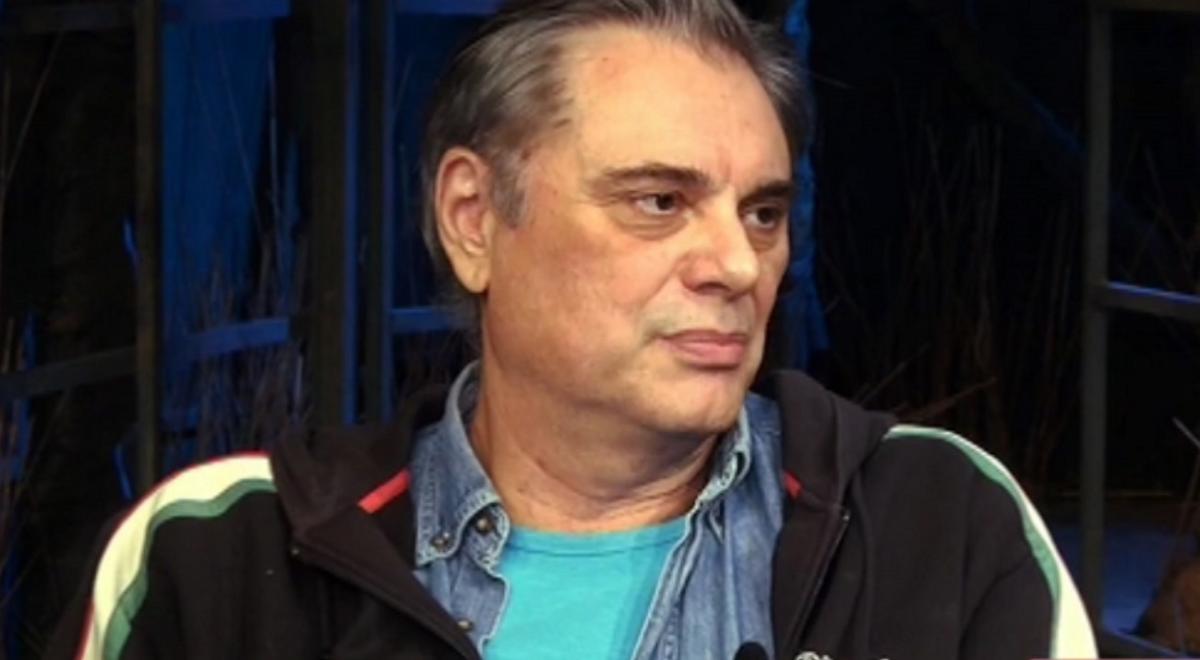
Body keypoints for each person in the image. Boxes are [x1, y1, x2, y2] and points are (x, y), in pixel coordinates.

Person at [49, 1, 1096, 658]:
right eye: (659, 202)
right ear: (474, 220)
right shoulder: (219, 558)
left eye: (763, 213)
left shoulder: (936, 527)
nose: (737, 266)